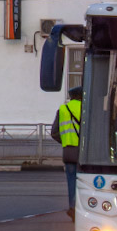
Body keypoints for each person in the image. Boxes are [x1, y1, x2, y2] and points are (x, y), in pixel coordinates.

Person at [50, 85, 84, 219]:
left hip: (69, 151)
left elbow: (54, 132)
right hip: (85, 153)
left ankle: (73, 207)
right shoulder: (86, 109)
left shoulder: (63, 109)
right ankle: (85, 208)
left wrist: (65, 141)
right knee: (86, 182)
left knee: (71, 181)